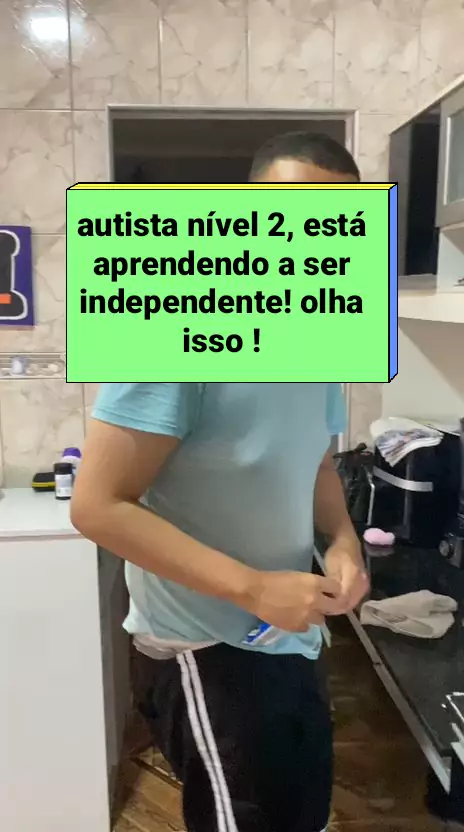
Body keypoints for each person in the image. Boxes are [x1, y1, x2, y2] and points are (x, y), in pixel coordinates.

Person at [71, 131, 368, 832]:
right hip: (204, 650)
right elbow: (97, 506)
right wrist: (253, 587)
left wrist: (343, 541)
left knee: (302, 816)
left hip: (287, 637)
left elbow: (317, 463)